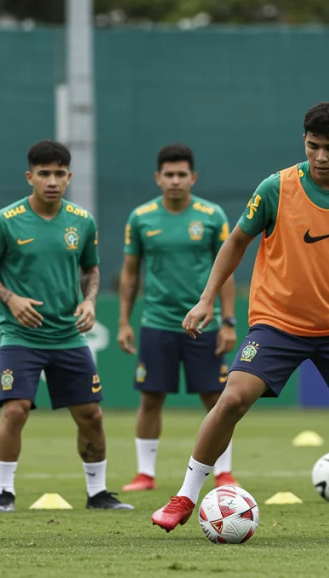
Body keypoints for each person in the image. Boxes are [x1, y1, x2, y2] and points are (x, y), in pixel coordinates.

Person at [151, 102, 329, 540]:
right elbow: (236, 242)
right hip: (277, 322)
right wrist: (206, 299)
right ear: (303, 142)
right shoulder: (276, 187)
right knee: (231, 399)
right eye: (312, 147)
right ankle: (185, 496)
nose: (321, 157)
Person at [0, 140, 132, 513]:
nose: (52, 181)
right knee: (15, 410)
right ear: (30, 177)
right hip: (20, 335)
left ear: (69, 177)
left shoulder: (82, 220)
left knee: (91, 414)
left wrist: (89, 300)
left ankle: (98, 494)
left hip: (68, 336)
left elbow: (91, 268)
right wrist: (11, 299)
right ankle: (5, 493)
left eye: (59, 174)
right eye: (44, 173)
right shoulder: (5, 222)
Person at [118, 144, 238, 493]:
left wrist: (228, 322)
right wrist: (124, 321)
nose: (174, 181)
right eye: (168, 175)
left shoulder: (212, 215)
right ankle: (145, 474)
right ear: (158, 178)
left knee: (218, 399)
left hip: (205, 325)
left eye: (181, 174)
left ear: (193, 177)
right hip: (157, 322)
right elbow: (129, 274)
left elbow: (227, 271)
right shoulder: (141, 218)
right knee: (151, 399)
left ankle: (224, 473)